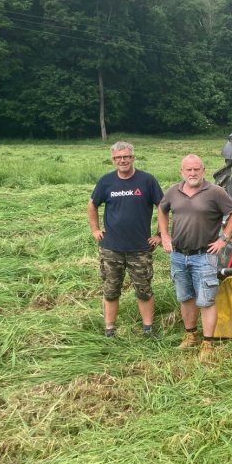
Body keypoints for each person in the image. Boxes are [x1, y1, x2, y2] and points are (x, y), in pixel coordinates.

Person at [158, 154, 232, 361]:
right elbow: (161, 209)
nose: (193, 173)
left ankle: (208, 342)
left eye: (197, 169)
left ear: (203, 171)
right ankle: (190, 336)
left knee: (206, 300)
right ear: (182, 172)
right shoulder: (173, 191)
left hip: (204, 255)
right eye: (189, 170)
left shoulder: (215, 192)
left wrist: (224, 238)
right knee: (185, 297)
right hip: (178, 255)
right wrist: (165, 236)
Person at [87, 141, 164, 337]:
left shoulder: (147, 181)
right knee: (111, 289)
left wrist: (160, 235)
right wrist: (95, 229)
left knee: (144, 289)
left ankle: (148, 328)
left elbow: (163, 207)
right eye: (118, 157)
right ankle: (109, 329)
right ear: (113, 160)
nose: (123, 160)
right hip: (111, 248)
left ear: (132, 158)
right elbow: (92, 204)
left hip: (140, 247)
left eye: (126, 157)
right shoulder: (106, 182)